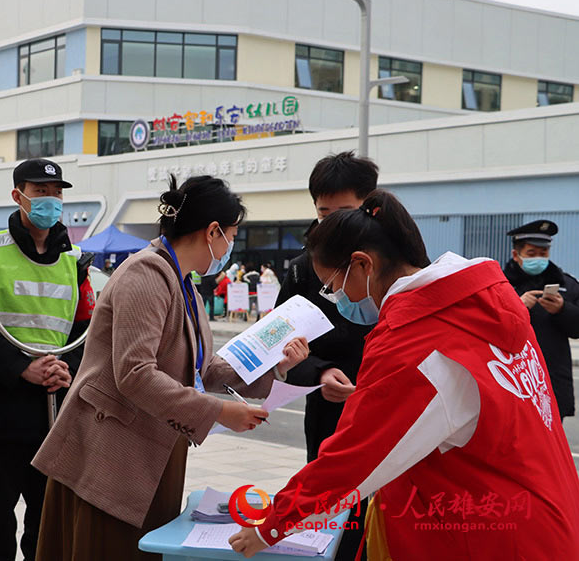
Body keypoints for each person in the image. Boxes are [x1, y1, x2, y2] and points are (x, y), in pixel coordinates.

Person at [229, 190, 579, 559]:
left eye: (333, 287)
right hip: (543, 510)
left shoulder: (416, 340)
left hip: (489, 536)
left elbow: (353, 458)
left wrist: (270, 528)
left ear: (363, 265)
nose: (336, 298)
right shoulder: (484, 306)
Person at [32, 175, 309, 560]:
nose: (230, 246)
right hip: (110, 457)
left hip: (150, 452)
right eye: (231, 235)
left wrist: (273, 366)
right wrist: (218, 411)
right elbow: (135, 373)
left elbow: (202, 368)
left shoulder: (185, 286)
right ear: (212, 232)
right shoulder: (145, 275)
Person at [0, 158, 95, 561]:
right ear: (18, 196)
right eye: (40, 192)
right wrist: (22, 367)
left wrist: (67, 367)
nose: (50, 200)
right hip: (1, 409)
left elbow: (86, 327)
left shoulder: (75, 261)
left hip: (52, 410)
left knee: (46, 515)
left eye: (56, 193)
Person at [274, 151, 378, 559]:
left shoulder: (395, 267)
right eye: (324, 212)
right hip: (329, 411)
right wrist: (319, 372)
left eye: (345, 211)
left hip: (386, 408)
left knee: (387, 513)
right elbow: (279, 344)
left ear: (371, 206)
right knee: (336, 518)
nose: (333, 223)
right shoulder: (303, 271)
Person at [503, 220, 579, 421]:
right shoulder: (500, 286)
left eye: (543, 253)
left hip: (553, 383)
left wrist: (563, 310)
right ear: (516, 255)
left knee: (551, 450)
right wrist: (517, 308)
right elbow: (487, 327)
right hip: (514, 381)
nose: (538, 258)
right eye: (531, 253)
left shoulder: (566, 284)